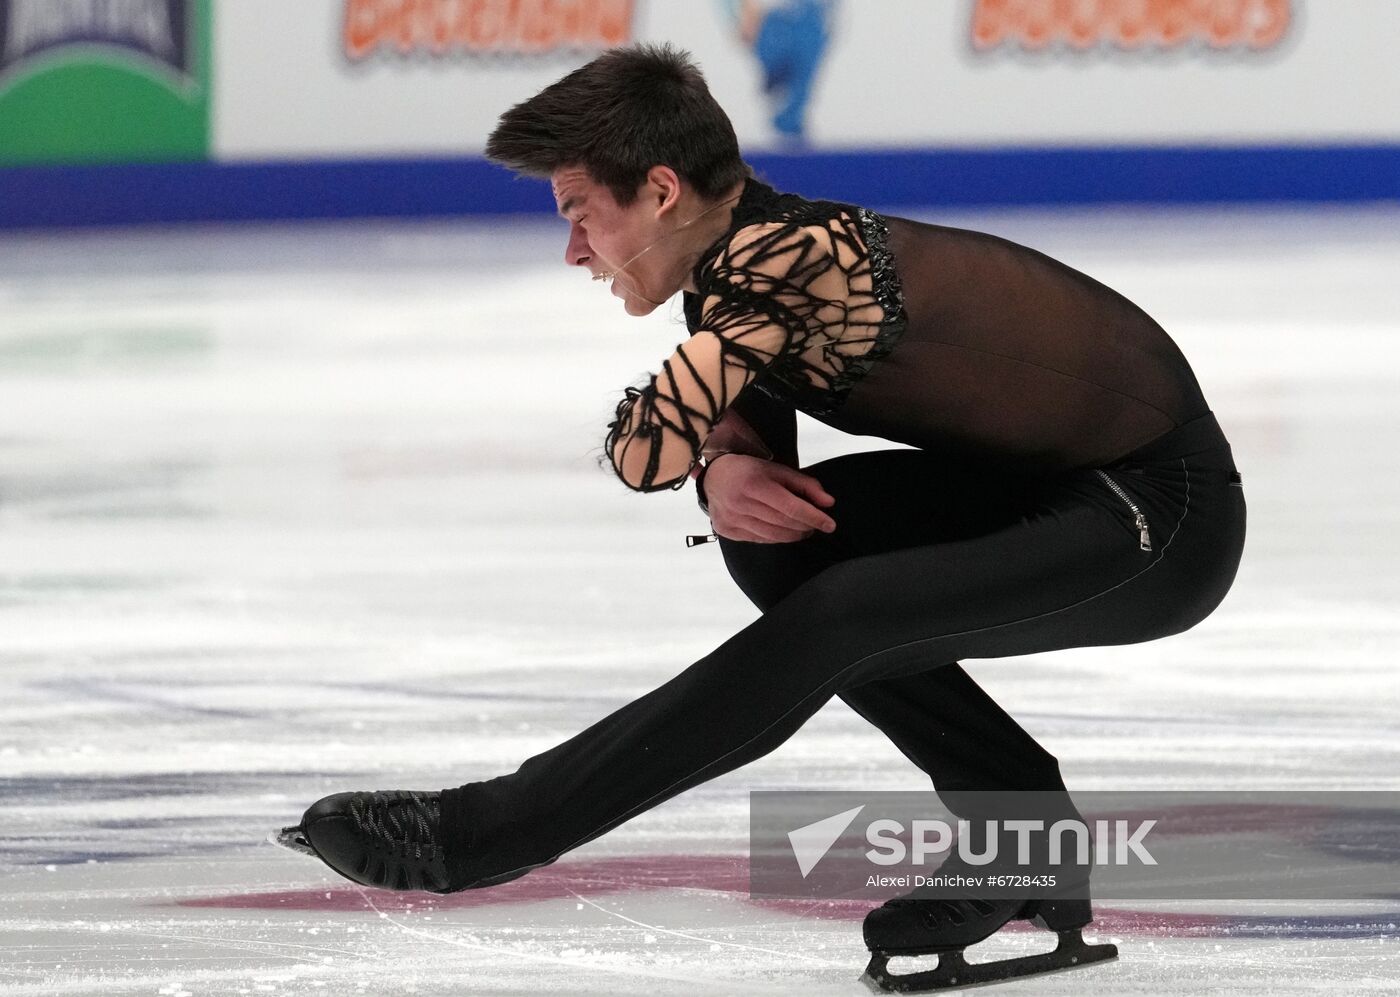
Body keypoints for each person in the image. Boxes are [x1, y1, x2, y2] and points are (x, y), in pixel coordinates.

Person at [278, 44, 1246, 990]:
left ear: (659, 192)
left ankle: (486, 831)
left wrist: (699, 459)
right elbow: (730, 438)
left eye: (579, 214)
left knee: (841, 614)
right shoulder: (737, 252)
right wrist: (726, 474)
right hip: (1054, 483)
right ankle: (1022, 824)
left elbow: (640, 449)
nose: (572, 249)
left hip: (1158, 514)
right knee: (784, 552)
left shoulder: (783, 258)